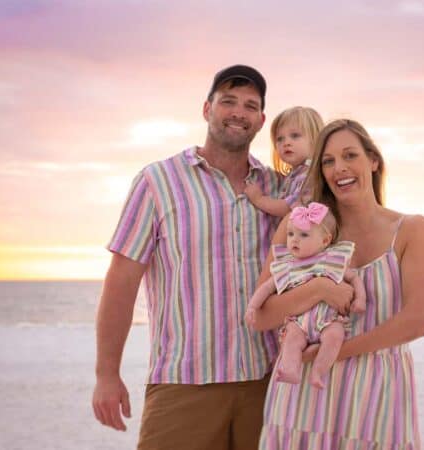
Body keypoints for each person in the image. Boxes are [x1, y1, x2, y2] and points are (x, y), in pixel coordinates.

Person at [92, 64, 287, 450]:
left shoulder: (276, 189)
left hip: (267, 384)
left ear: (261, 120)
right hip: (184, 384)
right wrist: (106, 375)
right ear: (206, 109)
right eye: (228, 101)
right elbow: (122, 281)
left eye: (250, 106)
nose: (238, 113)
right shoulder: (157, 182)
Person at [249, 119, 424, 449]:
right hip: (301, 398)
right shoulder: (296, 227)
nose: (339, 169)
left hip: (377, 399)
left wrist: (334, 352)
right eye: (328, 161)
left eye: (350, 156)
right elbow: (262, 316)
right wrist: (320, 289)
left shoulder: (412, 230)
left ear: (373, 161)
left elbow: (418, 322)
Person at [244, 201, 366, 389]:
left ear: (325, 241)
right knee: (291, 339)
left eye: (304, 235)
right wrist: (252, 306)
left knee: (335, 336)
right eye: (291, 234)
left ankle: (318, 371)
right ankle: (290, 370)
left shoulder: (331, 260)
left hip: (328, 319)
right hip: (298, 322)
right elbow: (267, 288)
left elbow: (354, 278)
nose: (294, 240)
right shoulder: (288, 265)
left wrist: (360, 299)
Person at [244, 106, 324, 216]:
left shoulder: (309, 176)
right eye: (280, 139)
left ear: (316, 139)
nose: (286, 143)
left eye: (295, 136)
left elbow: (288, 208)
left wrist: (259, 199)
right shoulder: (294, 175)